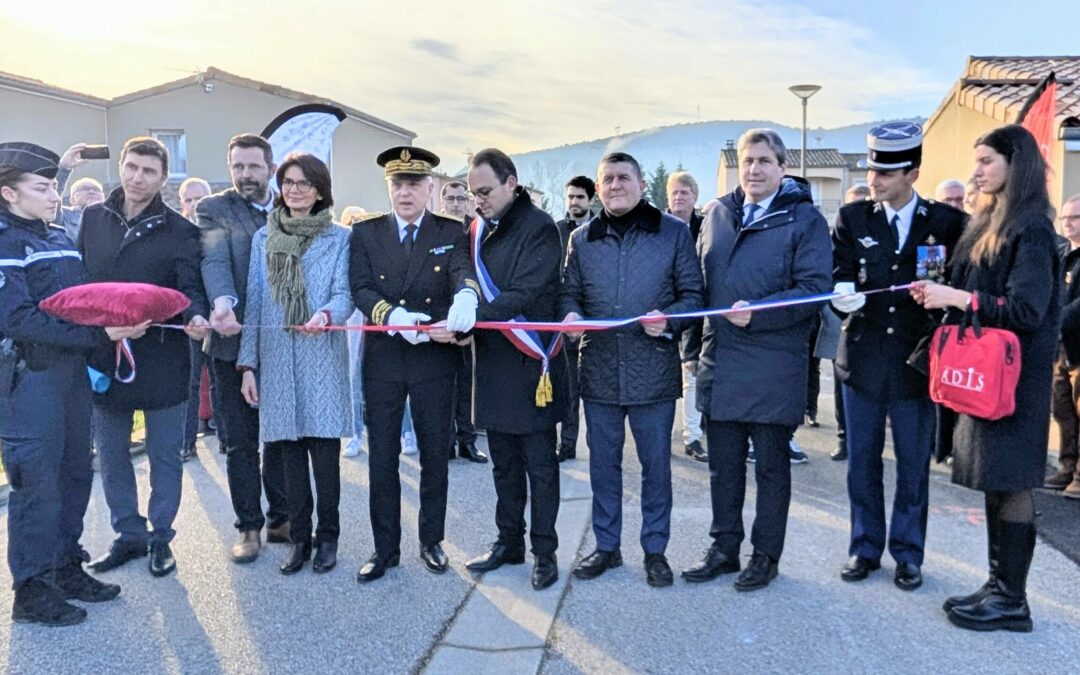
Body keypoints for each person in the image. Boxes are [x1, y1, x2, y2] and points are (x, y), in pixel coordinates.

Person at [912, 124, 1060, 633]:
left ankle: (1012, 599)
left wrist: (960, 298)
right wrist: (940, 293)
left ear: (1015, 165)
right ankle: (999, 584)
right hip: (989, 379)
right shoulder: (992, 221)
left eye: (986, 162)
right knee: (996, 483)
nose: (976, 172)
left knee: (1012, 483)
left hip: (1015, 382)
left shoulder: (1031, 228)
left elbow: (1027, 310)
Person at [682, 129, 831, 591]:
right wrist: (691, 347)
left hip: (774, 365)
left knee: (770, 470)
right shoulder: (718, 214)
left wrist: (759, 314)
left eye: (765, 161)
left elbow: (814, 291)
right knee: (722, 468)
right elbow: (699, 285)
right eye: (747, 161)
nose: (754, 169)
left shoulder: (805, 220)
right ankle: (724, 548)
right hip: (721, 361)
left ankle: (766, 556)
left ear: (782, 168)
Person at [0, 142, 136, 626]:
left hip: (72, 374)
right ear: (8, 193)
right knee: (36, 483)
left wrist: (117, 318)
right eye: (42, 187)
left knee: (75, 473)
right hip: (29, 378)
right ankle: (32, 588)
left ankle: (63, 565)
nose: (54, 194)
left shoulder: (56, 235)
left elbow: (79, 300)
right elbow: (17, 318)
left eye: (54, 185)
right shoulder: (5, 242)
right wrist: (99, 335)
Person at [831, 122, 966, 591]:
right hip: (863, 359)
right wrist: (841, 295)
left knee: (912, 464)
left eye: (886, 173)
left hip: (917, 362)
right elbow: (838, 273)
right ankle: (864, 547)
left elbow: (958, 284)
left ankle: (908, 553)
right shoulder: (853, 219)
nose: (874, 180)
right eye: (871, 170)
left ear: (912, 173)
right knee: (862, 463)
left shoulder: (946, 223)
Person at [561, 153, 704, 587]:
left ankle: (655, 551)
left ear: (642, 185)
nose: (616, 185)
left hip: (653, 372)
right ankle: (607, 547)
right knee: (603, 466)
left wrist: (670, 319)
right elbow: (569, 294)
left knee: (655, 467)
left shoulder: (672, 233)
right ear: (598, 189)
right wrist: (571, 315)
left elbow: (694, 296)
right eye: (608, 179)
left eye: (624, 177)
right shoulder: (582, 239)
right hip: (599, 370)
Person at [80, 136, 210, 578]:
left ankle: (160, 538)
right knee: (111, 454)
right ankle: (128, 534)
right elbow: (80, 282)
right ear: (120, 166)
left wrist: (195, 316)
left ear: (163, 178)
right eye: (132, 167)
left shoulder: (180, 230)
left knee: (164, 456)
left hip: (163, 359)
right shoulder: (92, 219)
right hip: (105, 355)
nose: (138, 178)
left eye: (149, 171)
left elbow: (189, 289)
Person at [349, 146, 478, 583]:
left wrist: (467, 295)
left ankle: (431, 541)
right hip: (385, 358)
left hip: (434, 359)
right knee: (382, 458)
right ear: (389, 187)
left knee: (435, 455)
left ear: (430, 188)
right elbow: (361, 288)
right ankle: (385, 549)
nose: (404, 192)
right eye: (397, 184)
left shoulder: (451, 230)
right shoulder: (366, 233)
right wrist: (392, 317)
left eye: (413, 184)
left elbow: (462, 270)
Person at [237, 152, 353, 575]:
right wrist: (248, 365)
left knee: (324, 456)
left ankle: (328, 537)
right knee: (288, 458)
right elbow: (254, 301)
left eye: (304, 183)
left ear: (320, 190)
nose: (295, 190)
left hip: (321, 356)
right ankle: (299, 539)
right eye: (288, 182)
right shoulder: (263, 238)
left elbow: (345, 294)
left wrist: (326, 315)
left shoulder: (339, 238)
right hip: (276, 359)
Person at [463, 148, 569, 591]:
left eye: (485, 192)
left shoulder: (539, 227)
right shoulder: (477, 229)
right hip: (493, 364)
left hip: (530, 365)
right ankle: (509, 542)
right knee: (503, 465)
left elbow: (525, 291)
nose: (478, 201)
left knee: (540, 468)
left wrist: (473, 317)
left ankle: (544, 551)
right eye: (473, 193)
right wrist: (462, 306)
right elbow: (467, 279)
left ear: (511, 183)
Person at [197, 133, 290, 563]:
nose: (245, 175)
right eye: (237, 166)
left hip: (282, 344)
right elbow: (214, 259)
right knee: (239, 442)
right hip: (230, 344)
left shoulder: (294, 205)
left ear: (271, 168)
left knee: (282, 436)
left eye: (253, 166)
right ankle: (248, 527)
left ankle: (282, 519)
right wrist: (223, 303)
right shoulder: (214, 209)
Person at [438, 180, 486, 463]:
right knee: (443, 383)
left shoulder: (476, 230)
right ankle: (445, 442)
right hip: (439, 315)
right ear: (442, 201)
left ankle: (467, 441)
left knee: (467, 382)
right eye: (450, 198)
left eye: (460, 198)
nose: (456, 203)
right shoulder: (435, 228)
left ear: (468, 201)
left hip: (469, 312)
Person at [666, 171, 708, 463]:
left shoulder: (707, 227)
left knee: (691, 374)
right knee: (663, 381)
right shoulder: (657, 227)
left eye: (685, 192)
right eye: (674, 193)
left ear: (695, 196)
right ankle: (661, 435)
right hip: (663, 311)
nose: (679, 198)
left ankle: (692, 437)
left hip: (695, 311)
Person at [828, 183, 872, 462]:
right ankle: (844, 437)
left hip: (875, 324)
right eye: (854, 203)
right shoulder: (841, 235)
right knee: (841, 381)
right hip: (844, 321)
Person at [553, 175, 595, 462]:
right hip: (565, 319)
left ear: (591, 199)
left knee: (594, 390)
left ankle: (599, 446)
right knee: (568, 388)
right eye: (570, 197)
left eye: (580, 197)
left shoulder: (601, 229)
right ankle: (567, 444)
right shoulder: (556, 230)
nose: (574, 202)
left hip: (594, 320)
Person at [177, 177, 215, 463]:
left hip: (221, 314)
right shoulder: (178, 235)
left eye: (199, 198)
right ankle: (186, 443)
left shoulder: (221, 232)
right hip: (190, 319)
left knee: (221, 379)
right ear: (183, 204)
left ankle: (226, 437)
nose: (195, 204)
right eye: (189, 200)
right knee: (190, 382)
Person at [1048, 194, 1080, 497]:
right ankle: (1067, 467)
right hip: (1060, 348)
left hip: (1077, 345)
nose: (1067, 223)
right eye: (1065, 218)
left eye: (1075, 218)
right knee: (1062, 409)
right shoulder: (1059, 253)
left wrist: (1055, 321)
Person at [339, 206, 369, 459]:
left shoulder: (372, 247)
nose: (355, 226)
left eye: (360, 221)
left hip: (376, 314)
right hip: (352, 315)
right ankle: (354, 434)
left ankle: (407, 431)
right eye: (351, 221)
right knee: (353, 375)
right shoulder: (342, 249)